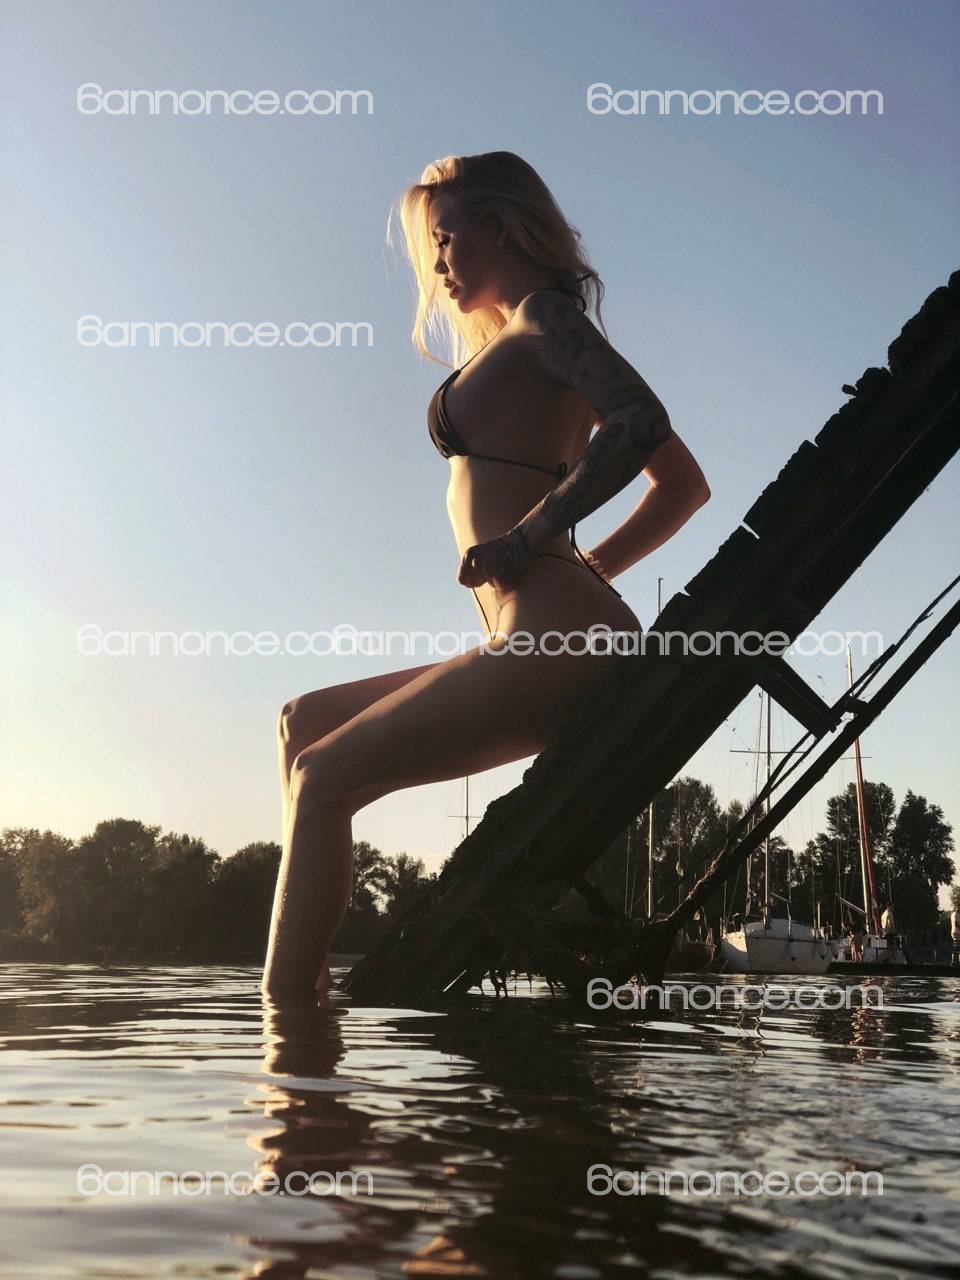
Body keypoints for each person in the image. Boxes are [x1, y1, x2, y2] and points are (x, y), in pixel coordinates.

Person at [261, 151, 711, 1001]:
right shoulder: (522, 338)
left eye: (444, 237)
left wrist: (529, 541)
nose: (435, 264)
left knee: (322, 777)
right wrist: (585, 566)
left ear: (500, 226)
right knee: (303, 724)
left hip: (558, 638)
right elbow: (683, 487)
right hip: (544, 625)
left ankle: (288, 1037)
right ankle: (310, 1001)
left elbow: (642, 423)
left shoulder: (546, 317)